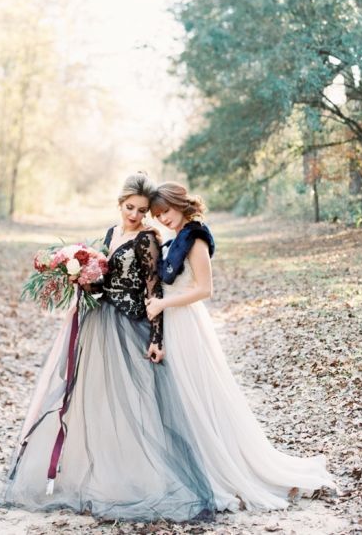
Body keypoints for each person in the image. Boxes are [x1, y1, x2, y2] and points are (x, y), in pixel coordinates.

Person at [3, 173, 217, 522]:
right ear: (120, 204)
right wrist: (79, 277)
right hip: (99, 322)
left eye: (143, 210)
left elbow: (153, 290)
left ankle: (136, 478)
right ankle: (93, 475)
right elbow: (104, 279)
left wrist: (156, 338)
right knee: (94, 400)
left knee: (134, 405)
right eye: (130, 207)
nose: (135, 214)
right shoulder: (109, 234)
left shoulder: (148, 239)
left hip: (130, 323)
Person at [146, 181, 335, 512]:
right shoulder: (175, 239)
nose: (163, 219)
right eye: (158, 215)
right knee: (182, 396)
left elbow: (205, 289)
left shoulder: (195, 237)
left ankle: (217, 466)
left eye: (166, 212)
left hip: (186, 322)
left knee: (198, 395)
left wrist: (164, 305)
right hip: (171, 323)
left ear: (180, 204)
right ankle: (191, 464)